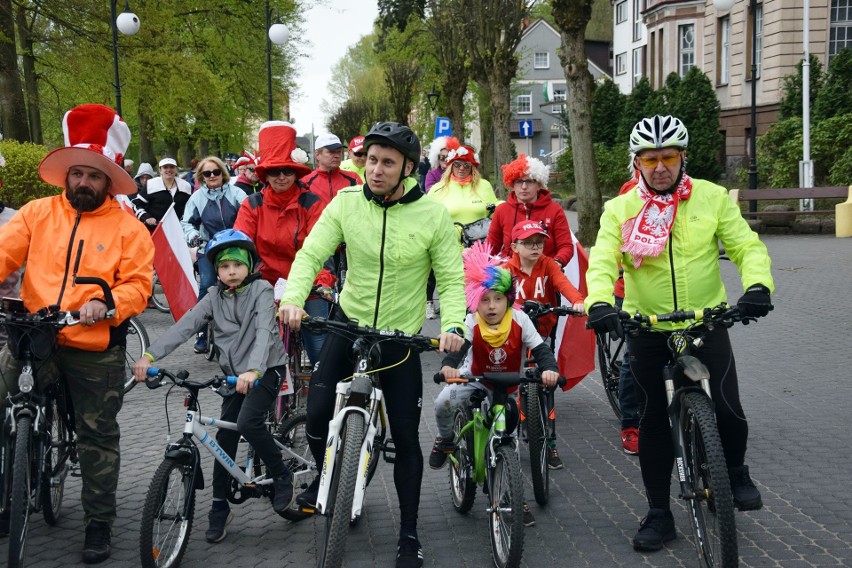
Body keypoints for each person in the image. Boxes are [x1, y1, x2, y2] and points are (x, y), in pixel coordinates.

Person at [279, 121, 466, 568]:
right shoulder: (345, 204)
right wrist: (292, 297)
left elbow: (452, 278)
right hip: (350, 324)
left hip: (400, 340)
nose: (376, 170)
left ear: (406, 168)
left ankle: (408, 533)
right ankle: (328, 480)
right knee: (318, 415)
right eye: (370, 160)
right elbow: (310, 253)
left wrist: (454, 323)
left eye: (387, 162)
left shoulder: (434, 215)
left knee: (405, 438)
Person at [585, 115, 774, 553]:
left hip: (705, 321)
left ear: (682, 157)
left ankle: (736, 469)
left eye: (668, 156)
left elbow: (746, 245)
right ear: (637, 163)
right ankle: (659, 513)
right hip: (647, 326)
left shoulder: (711, 198)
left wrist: (758, 285)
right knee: (651, 424)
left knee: (728, 411)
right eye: (649, 158)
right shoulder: (621, 208)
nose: (659, 166)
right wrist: (598, 302)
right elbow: (602, 260)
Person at [0, 103, 154, 563]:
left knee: (96, 435)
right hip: (33, 335)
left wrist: (106, 303)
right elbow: (4, 255)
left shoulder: (128, 228)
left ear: (109, 181)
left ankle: (98, 523)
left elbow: (139, 286)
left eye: (94, 175)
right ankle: (9, 493)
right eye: (78, 173)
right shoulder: (35, 213)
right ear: (66, 175)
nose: (84, 182)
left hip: (94, 345)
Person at [132, 229, 294, 543]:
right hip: (234, 376)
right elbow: (186, 325)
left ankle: (281, 473)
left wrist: (253, 370)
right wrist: (149, 354)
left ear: (249, 264)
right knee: (224, 440)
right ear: (216, 270)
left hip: (265, 370)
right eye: (223, 266)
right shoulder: (213, 296)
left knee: (248, 422)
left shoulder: (261, 289)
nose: (231, 271)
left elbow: (263, 331)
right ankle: (219, 506)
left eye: (237, 264)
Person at [430, 242, 560, 528]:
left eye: (498, 299)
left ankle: (511, 495)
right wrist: (448, 367)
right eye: (485, 299)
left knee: (508, 442)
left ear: (509, 300)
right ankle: (446, 440)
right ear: (476, 301)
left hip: (507, 385)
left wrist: (549, 370)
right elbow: (457, 349)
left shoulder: (522, 320)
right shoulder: (471, 321)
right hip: (473, 379)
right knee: (443, 403)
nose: (491, 306)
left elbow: (541, 351)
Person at [233, 121, 332, 364]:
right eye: (274, 171)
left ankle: (323, 393)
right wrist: (236, 274)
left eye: (287, 171)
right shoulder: (252, 204)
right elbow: (240, 245)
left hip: (309, 283)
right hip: (265, 285)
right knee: (251, 350)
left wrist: (320, 283)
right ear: (265, 174)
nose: (281, 177)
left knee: (321, 351)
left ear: (296, 172)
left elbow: (321, 248)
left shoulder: (312, 203)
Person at [502, 220, 584, 470]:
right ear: (515, 246)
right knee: (512, 386)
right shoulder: (507, 270)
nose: (535, 247)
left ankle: (551, 444)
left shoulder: (548, 264)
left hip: (542, 332)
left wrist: (578, 301)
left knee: (547, 383)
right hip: (515, 334)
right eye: (528, 243)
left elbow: (563, 284)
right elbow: (494, 295)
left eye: (539, 242)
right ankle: (510, 435)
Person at [426, 140, 498, 320]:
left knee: (480, 291)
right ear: (450, 165)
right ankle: (456, 332)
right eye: (456, 164)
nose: (461, 168)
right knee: (455, 292)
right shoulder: (438, 189)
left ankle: (479, 332)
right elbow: (428, 219)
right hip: (450, 249)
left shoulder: (484, 186)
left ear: (472, 166)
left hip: (479, 250)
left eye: (466, 164)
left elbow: (494, 211)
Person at [182, 156, 248, 353]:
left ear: (222, 173)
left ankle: (246, 330)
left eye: (216, 172)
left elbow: (249, 214)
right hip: (208, 249)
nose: (212, 176)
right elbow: (187, 222)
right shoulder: (196, 198)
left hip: (234, 247)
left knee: (245, 286)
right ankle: (201, 332)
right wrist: (193, 235)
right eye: (207, 173)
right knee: (207, 285)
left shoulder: (236, 193)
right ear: (202, 177)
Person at [487, 154, 575, 268]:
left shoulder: (554, 210)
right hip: (509, 274)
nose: (524, 187)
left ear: (539, 185)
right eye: (519, 181)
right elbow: (491, 247)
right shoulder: (501, 210)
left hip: (545, 272)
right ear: (512, 185)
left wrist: (557, 263)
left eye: (529, 181)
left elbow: (566, 246)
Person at [133, 157, 192, 232]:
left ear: (176, 169)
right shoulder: (151, 184)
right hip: (155, 231)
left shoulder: (185, 186)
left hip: (179, 232)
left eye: (172, 167)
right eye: (165, 167)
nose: (169, 170)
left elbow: (190, 208)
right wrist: (146, 217)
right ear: (160, 170)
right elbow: (136, 204)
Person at [301, 132, 362, 205]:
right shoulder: (305, 183)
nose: (337, 156)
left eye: (339, 152)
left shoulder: (354, 178)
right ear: (317, 155)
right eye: (331, 152)